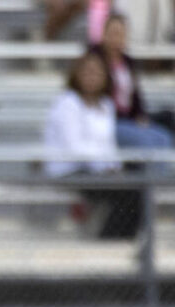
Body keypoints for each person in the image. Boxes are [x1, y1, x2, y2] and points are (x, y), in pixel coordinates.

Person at [44, 52, 140, 238]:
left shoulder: (106, 105)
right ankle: (109, 241)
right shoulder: (67, 103)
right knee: (129, 193)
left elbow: (108, 144)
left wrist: (115, 168)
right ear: (77, 74)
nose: (92, 76)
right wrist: (105, 167)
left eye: (97, 72)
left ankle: (122, 240)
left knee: (138, 183)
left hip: (98, 171)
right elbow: (74, 149)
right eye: (87, 71)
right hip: (70, 172)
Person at [91, 13, 173, 154]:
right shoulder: (95, 61)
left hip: (130, 119)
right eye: (114, 33)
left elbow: (134, 96)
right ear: (104, 34)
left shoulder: (127, 62)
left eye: (121, 34)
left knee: (164, 138)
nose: (117, 39)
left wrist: (139, 116)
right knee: (147, 142)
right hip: (108, 121)